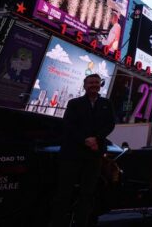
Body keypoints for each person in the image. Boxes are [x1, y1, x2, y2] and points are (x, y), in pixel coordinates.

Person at [50, 74, 116, 227]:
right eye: (90, 82)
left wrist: (96, 139)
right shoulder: (74, 103)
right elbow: (68, 125)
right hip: (72, 154)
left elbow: (110, 124)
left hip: (94, 155)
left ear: (100, 85)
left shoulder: (107, 103)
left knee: (87, 193)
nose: (93, 85)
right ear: (85, 85)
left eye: (96, 82)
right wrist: (85, 140)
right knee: (64, 192)